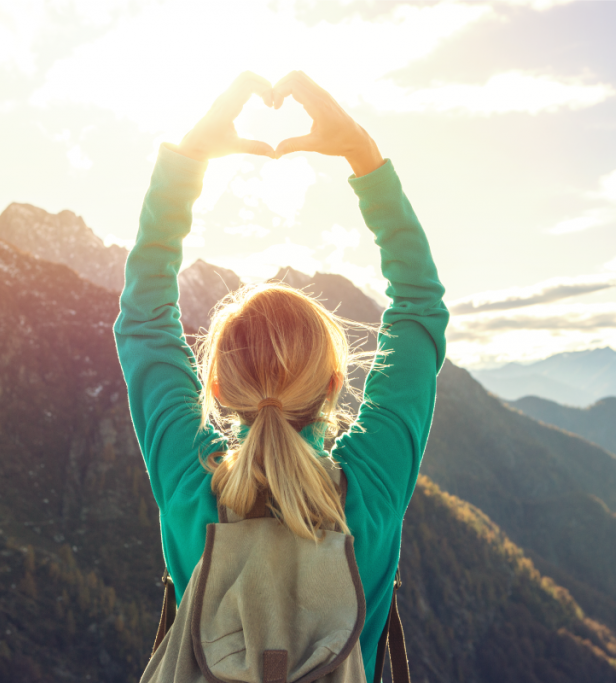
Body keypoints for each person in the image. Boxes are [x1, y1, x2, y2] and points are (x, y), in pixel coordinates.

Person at [113, 70, 449, 682]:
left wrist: (187, 161)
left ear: (216, 389)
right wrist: (361, 156)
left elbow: (142, 321)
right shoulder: (368, 496)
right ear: (331, 387)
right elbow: (420, 308)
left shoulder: (194, 492)